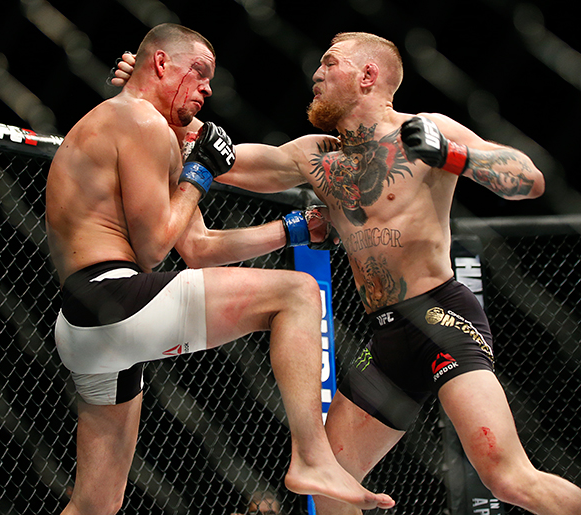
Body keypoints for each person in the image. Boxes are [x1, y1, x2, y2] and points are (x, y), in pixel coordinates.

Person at [114, 31, 581, 514]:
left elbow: (529, 179)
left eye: (330, 63)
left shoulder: (424, 130)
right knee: (329, 484)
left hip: (442, 317)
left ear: (368, 75)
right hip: (385, 338)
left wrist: (451, 153)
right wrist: (151, 95)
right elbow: (218, 155)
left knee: (506, 478)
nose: (316, 74)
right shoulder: (315, 155)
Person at [46, 24, 395, 515]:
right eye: (200, 73)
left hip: (87, 323)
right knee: (297, 293)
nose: (209, 89)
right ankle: (313, 456)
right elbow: (154, 249)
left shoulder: (134, 125)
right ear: (161, 64)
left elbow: (198, 247)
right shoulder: (140, 121)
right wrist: (199, 174)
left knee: (96, 505)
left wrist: (294, 229)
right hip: (113, 297)